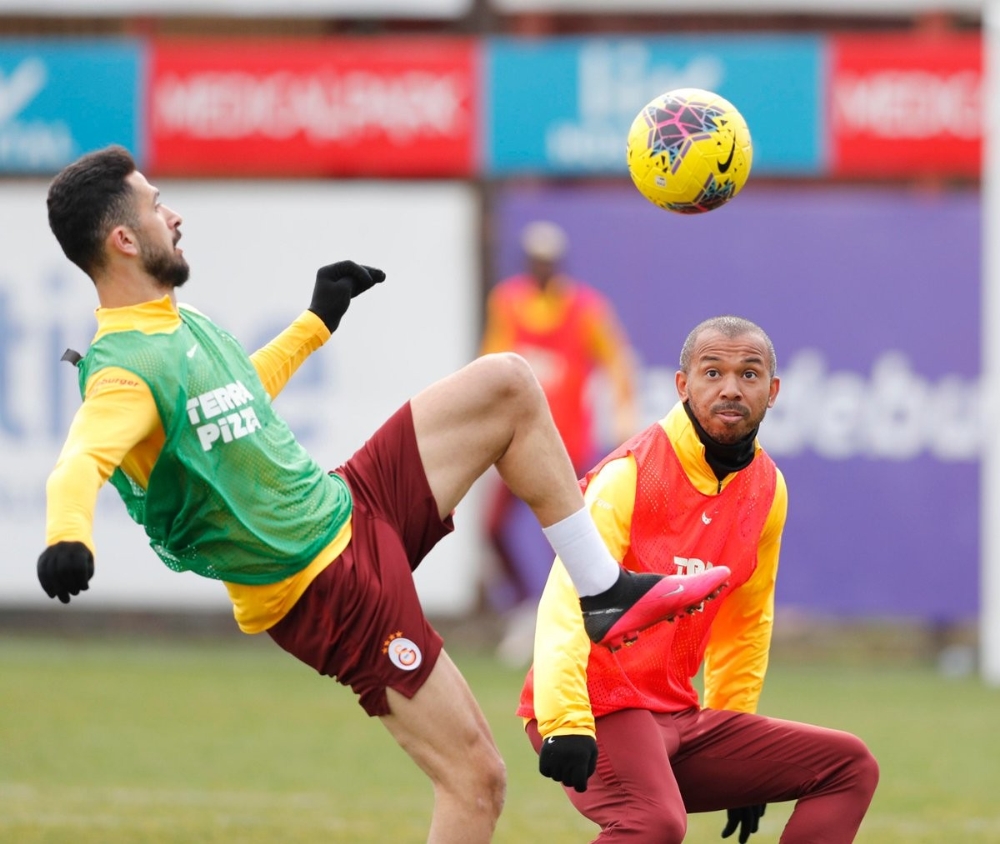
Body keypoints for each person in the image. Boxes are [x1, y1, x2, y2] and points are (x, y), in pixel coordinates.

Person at [36, 145, 732, 844]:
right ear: (124, 240)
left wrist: (315, 324)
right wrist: (68, 536)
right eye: (156, 206)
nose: (174, 216)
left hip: (348, 503)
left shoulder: (179, 322)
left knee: (507, 383)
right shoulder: (123, 369)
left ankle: (602, 589)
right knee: (477, 782)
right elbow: (79, 463)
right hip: (322, 584)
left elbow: (237, 395)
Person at [518, 316, 880, 843]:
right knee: (655, 823)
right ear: (682, 385)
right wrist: (566, 721)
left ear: (773, 391)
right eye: (713, 372)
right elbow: (566, 602)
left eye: (749, 374)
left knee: (849, 767)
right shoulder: (629, 474)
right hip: (596, 705)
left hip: (676, 714)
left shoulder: (768, 488)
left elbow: (746, 622)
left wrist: (742, 755)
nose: (731, 388)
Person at [480, 220, 639, 665]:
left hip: (564, 445)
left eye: (548, 262)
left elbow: (617, 361)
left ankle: (572, 621)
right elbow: (491, 360)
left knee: (569, 537)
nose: (541, 269)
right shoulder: (508, 302)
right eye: (535, 261)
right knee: (493, 528)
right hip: (513, 441)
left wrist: (623, 413)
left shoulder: (585, 308)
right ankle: (523, 607)